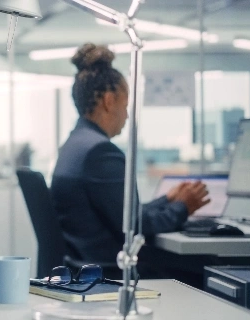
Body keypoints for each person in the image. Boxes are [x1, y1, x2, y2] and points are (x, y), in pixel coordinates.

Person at [50, 43, 211, 278]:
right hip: (113, 271)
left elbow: (123, 214)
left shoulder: (75, 145)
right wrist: (183, 207)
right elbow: (135, 227)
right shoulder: (100, 153)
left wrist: (167, 199)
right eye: (126, 105)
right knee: (205, 269)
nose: (127, 115)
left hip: (84, 265)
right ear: (109, 101)